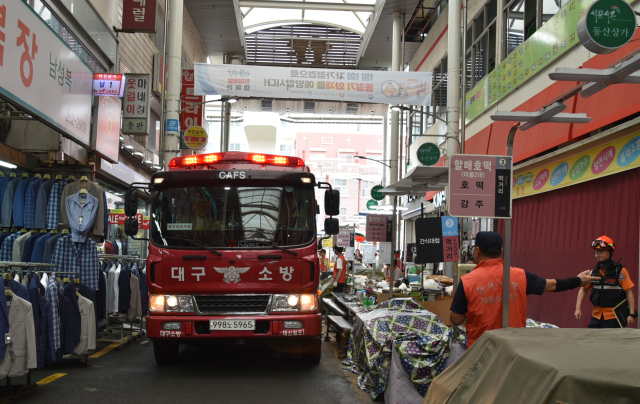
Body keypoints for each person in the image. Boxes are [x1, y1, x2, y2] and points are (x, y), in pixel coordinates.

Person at [450, 231, 599, 348]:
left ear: (477, 251)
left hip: (480, 350)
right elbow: (552, 285)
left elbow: (456, 319)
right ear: (501, 251)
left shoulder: (467, 281)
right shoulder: (520, 275)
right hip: (513, 349)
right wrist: (578, 280)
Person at [575, 236, 637, 328]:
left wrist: (632, 314)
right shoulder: (594, 272)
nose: (598, 253)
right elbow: (583, 289)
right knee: (591, 340)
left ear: (611, 252)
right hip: (596, 316)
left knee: (611, 341)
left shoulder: (620, 271)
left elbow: (629, 292)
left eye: (602, 251)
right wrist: (578, 308)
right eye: (596, 251)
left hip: (614, 317)